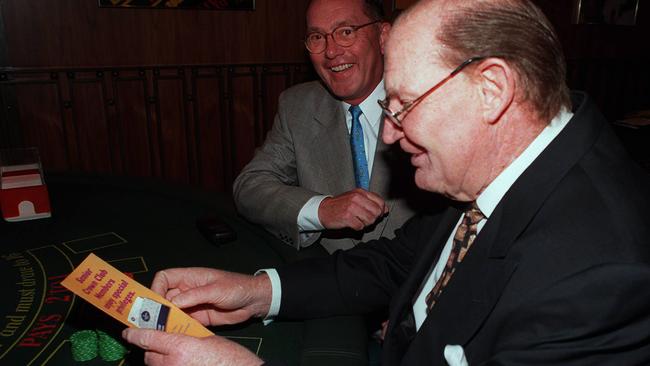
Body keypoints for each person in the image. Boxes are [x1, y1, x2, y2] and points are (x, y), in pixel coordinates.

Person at [122, 0, 650, 365]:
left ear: (491, 90)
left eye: (405, 105)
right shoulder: (496, 168)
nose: (391, 132)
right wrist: (257, 291)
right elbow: (397, 262)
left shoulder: (603, 273)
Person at [232, 0, 428, 254]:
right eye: (316, 37)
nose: (331, 51)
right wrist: (321, 209)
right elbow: (249, 186)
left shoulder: (430, 102)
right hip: (326, 279)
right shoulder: (297, 106)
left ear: (383, 36)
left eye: (346, 32)